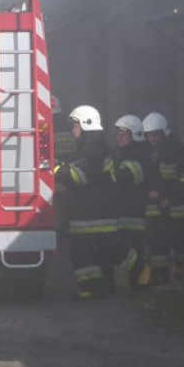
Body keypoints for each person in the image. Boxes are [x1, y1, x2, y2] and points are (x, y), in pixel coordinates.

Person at [53, 105, 112, 299]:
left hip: (92, 211)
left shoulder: (93, 149)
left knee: (96, 252)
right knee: (82, 251)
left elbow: (80, 177)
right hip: (85, 211)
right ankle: (91, 288)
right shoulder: (89, 147)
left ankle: (101, 286)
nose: (72, 130)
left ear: (86, 124)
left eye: (75, 126)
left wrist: (56, 170)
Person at [142, 112, 184, 284]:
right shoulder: (144, 154)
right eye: (149, 135)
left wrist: (167, 196)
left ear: (165, 133)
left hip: (178, 208)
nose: (153, 138)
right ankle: (160, 276)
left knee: (179, 241)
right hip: (155, 208)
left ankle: (179, 267)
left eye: (156, 134)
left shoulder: (178, 152)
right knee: (156, 241)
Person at [104, 115, 152, 290]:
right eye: (119, 134)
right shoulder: (121, 154)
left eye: (124, 134)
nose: (119, 137)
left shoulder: (140, 156)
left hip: (134, 213)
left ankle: (140, 277)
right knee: (124, 247)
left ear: (135, 135)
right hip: (122, 211)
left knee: (133, 246)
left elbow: (124, 178)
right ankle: (135, 279)